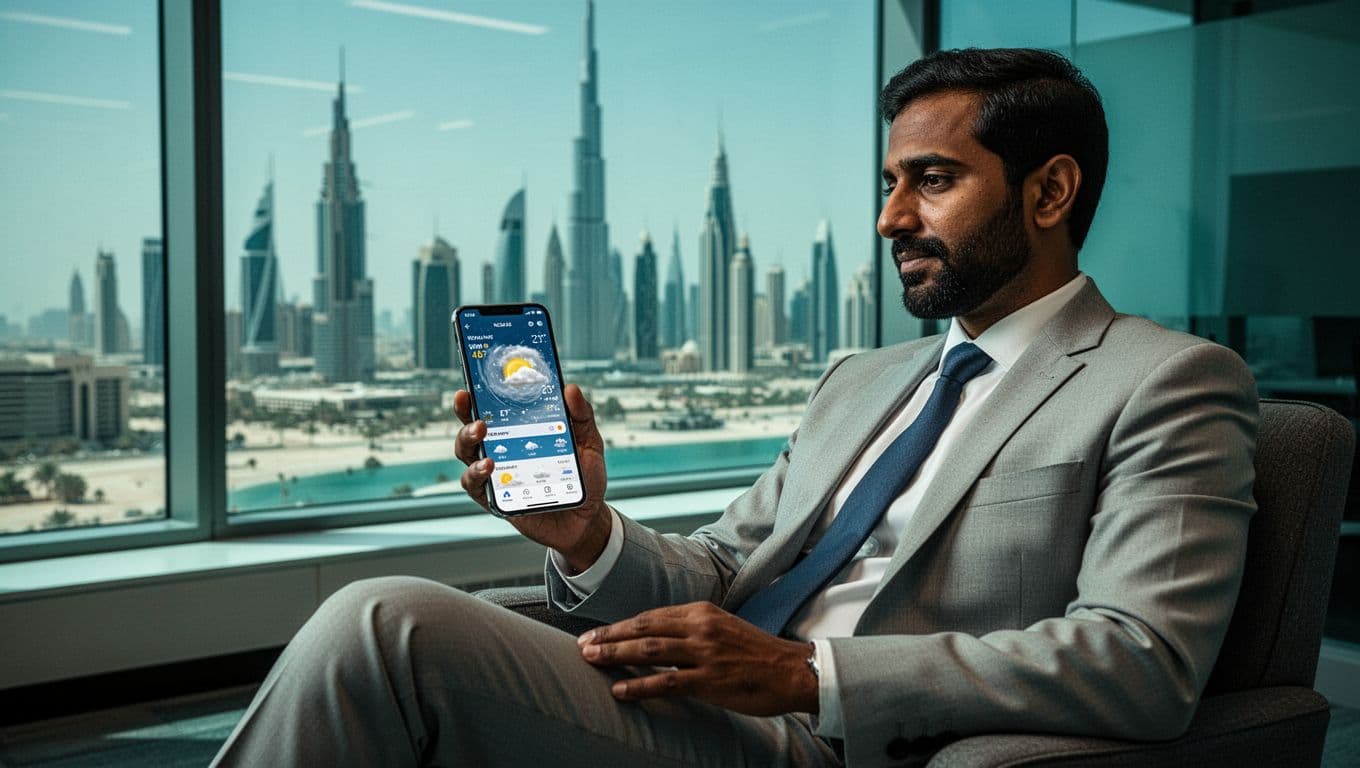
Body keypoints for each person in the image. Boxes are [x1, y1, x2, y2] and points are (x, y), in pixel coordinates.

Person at [211, 48, 1257, 768]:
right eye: (888, 181)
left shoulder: (1164, 380)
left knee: (382, 625)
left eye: (931, 180)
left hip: (832, 739)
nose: (890, 216)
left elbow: (1141, 661)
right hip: (702, 708)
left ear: (1049, 192)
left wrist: (809, 674)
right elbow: (724, 568)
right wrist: (583, 535)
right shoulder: (862, 380)